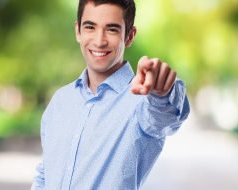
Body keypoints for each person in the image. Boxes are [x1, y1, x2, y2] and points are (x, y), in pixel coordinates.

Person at [31, 0, 190, 189]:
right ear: (78, 31)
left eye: (112, 29)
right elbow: (45, 174)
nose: (99, 41)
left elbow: (165, 114)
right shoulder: (60, 101)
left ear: (129, 36)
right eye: (90, 27)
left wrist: (163, 91)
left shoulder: (142, 101)